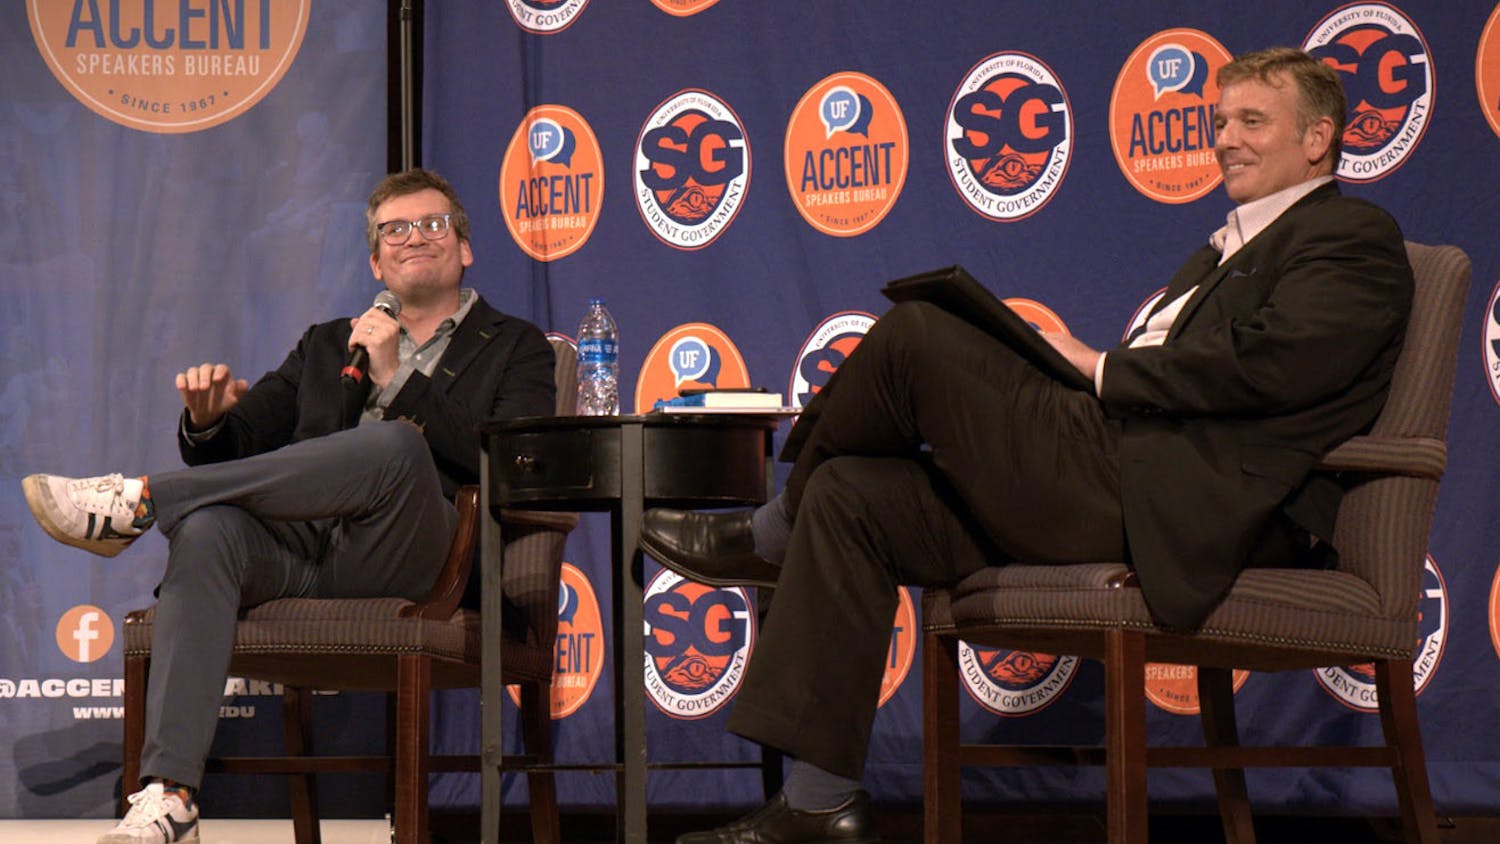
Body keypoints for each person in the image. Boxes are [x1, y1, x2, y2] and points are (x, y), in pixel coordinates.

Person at [639, 47, 1413, 844]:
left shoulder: (1353, 237)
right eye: (1219, 121)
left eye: (1252, 120)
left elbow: (1273, 366)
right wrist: (1065, 370)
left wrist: (1100, 367)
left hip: (1170, 505)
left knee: (916, 337)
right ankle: (819, 801)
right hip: (1107, 474)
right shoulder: (1223, 248)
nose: (1224, 139)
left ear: (1318, 139)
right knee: (852, 497)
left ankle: (768, 532)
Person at [20, 168, 556, 844]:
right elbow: (238, 453)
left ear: (465, 247)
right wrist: (208, 424)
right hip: (308, 554)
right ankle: (170, 793)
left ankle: (141, 500)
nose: (415, 238)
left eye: (433, 225)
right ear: (375, 259)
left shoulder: (515, 347)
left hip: (426, 557)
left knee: (395, 446)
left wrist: (401, 382)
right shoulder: (327, 343)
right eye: (395, 229)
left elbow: (516, 474)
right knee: (212, 526)